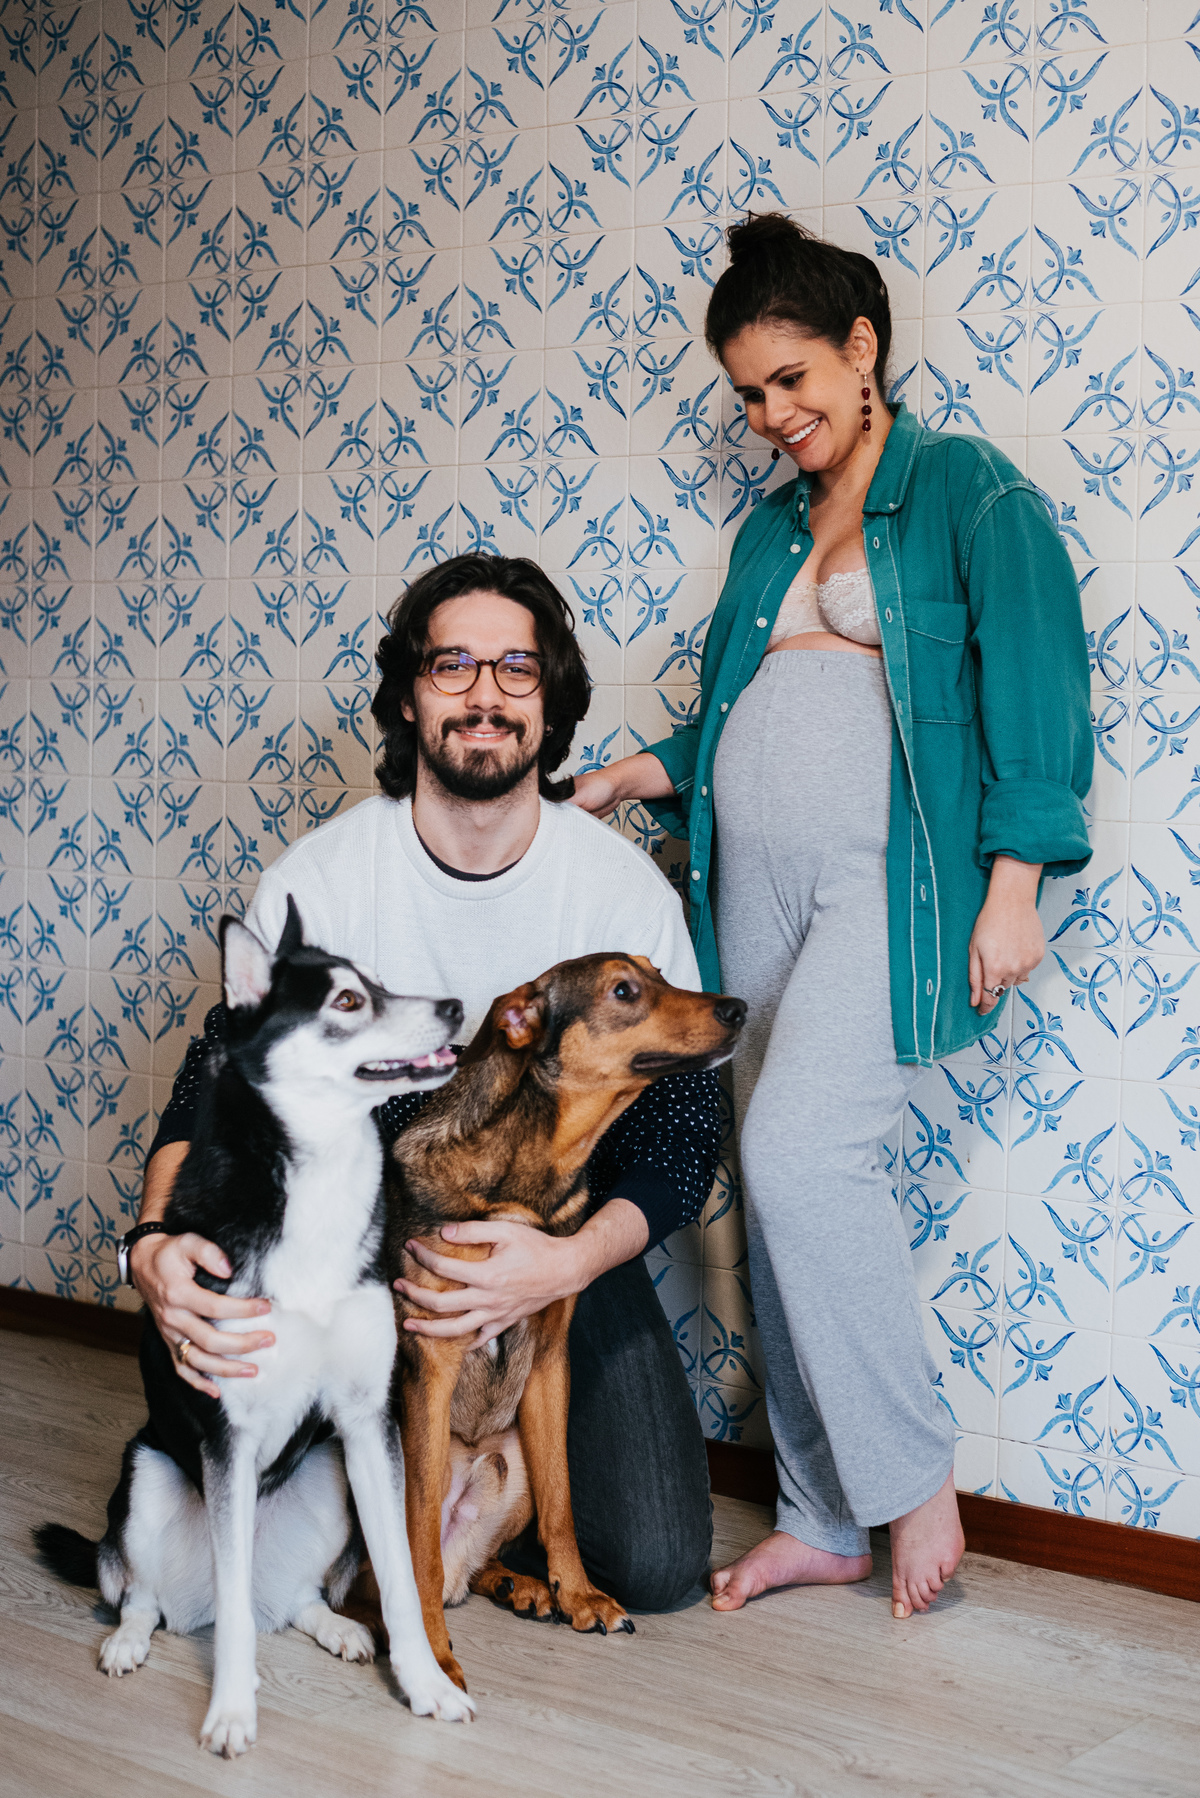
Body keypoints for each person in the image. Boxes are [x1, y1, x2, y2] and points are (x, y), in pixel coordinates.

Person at [572, 215, 1093, 1620]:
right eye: (749, 392)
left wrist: (1015, 882)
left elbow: (1036, 685)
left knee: (805, 1157)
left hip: (889, 880)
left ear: (863, 350)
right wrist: (633, 775)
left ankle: (910, 1475)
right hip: (745, 884)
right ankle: (818, 1513)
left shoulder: (969, 491)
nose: (770, 414)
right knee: (771, 1188)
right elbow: (736, 716)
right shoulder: (770, 532)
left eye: (790, 378)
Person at [125, 554, 721, 1612]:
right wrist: (152, 1246)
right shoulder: (319, 880)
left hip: (561, 1239)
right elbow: (212, 1090)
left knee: (660, 1558)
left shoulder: (620, 892)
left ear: (550, 702)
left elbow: (683, 1134)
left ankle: (462, 1514)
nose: (485, 694)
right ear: (410, 695)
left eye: (516, 669)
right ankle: (323, 1500)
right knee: (214, 1332)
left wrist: (562, 1262)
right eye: (453, 665)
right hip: (360, 1240)